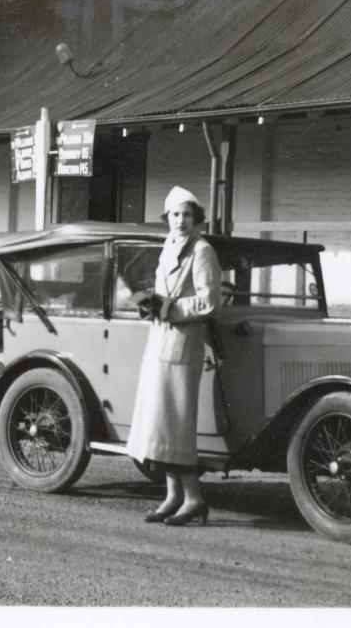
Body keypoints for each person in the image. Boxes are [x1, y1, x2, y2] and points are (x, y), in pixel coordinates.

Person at [125, 185, 222, 526]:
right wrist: (148, 304)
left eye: (187, 215)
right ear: (168, 218)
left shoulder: (202, 251)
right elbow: (162, 293)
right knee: (161, 424)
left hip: (183, 346)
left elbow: (210, 302)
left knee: (176, 426)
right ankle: (172, 496)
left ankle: (194, 499)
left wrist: (169, 308)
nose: (181, 221)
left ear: (197, 218)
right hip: (159, 344)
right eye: (175, 215)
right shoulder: (169, 246)